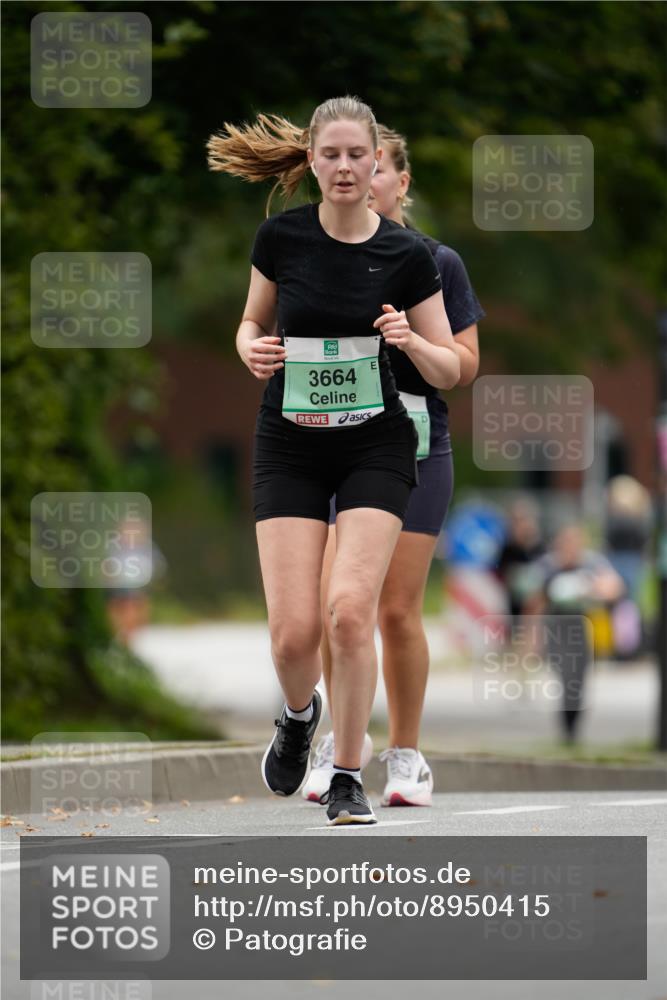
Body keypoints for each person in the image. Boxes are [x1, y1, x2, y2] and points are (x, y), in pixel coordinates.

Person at [207, 97, 460, 825]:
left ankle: (347, 774)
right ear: (312, 162)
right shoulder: (279, 239)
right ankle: (297, 716)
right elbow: (252, 322)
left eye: (358, 155)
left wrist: (410, 342)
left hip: (374, 445)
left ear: (378, 161)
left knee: (351, 612)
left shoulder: (409, 257)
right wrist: (247, 347)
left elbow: (449, 367)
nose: (346, 167)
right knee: (293, 634)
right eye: (332, 154)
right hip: (289, 442)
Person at [302, 125, 483, 807]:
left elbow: (464, 365)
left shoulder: (436, 262)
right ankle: (338, 742)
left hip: (413, 441)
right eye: (345, 162)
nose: (361, 179)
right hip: (335, 440)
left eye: (374, 168)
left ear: (398, 181)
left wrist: (410, 337)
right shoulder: (318, 253)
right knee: (335, 606)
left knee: (396, 609)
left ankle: (406, 754)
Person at [525, 523, 625, 743]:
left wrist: (594, 588)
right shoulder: (548, 566)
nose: (570, 548)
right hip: (556, 628)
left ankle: (572, 728)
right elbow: (533, 602)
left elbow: (615, 588)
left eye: (574, 542)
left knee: (578, 680)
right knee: (566, 676)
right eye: (566, 542)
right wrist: (532, 637)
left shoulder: (592, 564)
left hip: (583, 629)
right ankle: (567, 728)